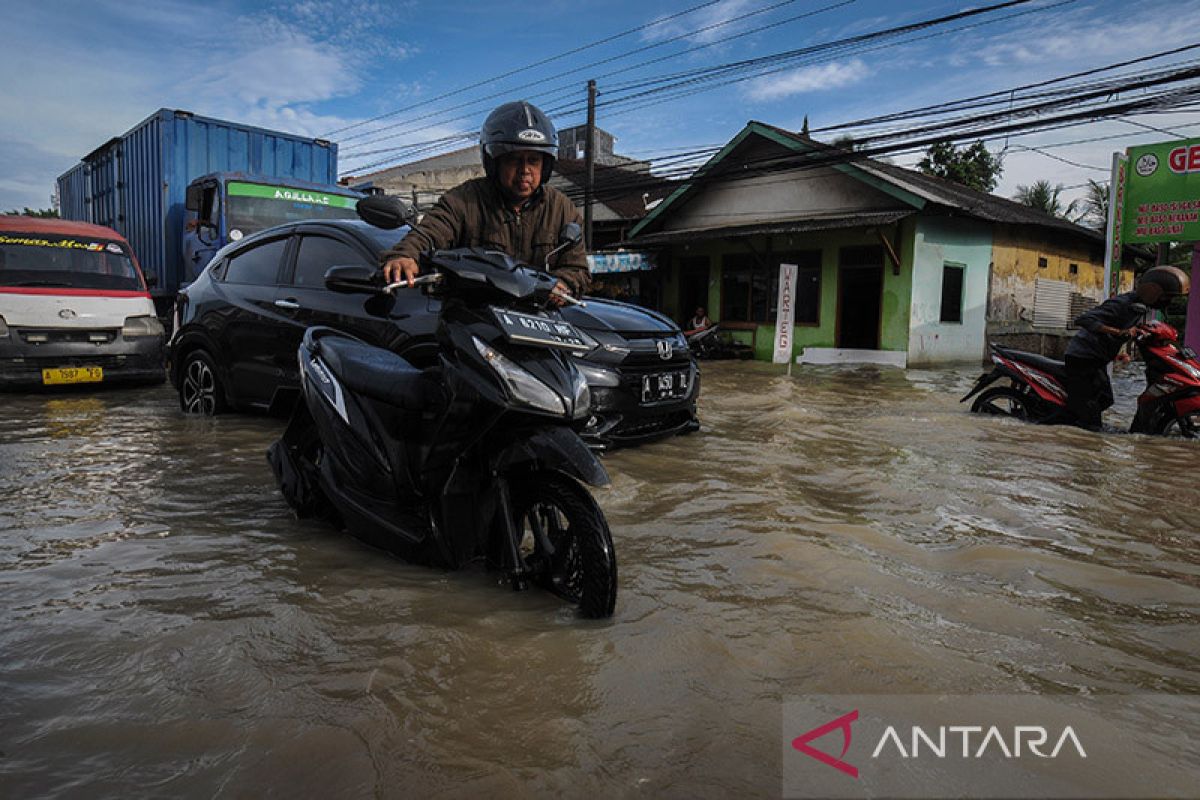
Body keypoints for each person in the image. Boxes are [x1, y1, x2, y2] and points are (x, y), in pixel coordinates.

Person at [381, 101, 588, 307]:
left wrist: (562, 284)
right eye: (514, 160)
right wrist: (405, 256)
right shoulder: (464, 200)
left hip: (538, 320)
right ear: (494, 162)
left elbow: (577, 269)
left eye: (533, 160)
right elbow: (430, 231)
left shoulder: (562, 209)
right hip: (473, 317)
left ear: (546, 165)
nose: (525, 170)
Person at [1057, 265, 1190, 430]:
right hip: (1083, 358)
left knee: (1105, 399)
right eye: (1166, 298)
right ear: (1153, 292)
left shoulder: (1139, 307)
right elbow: (1084, 319)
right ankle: (1082, 436)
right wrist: (1119, 332)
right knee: (1089, 413)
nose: (1167, 302)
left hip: (1098, 359)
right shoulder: (1122, 304)